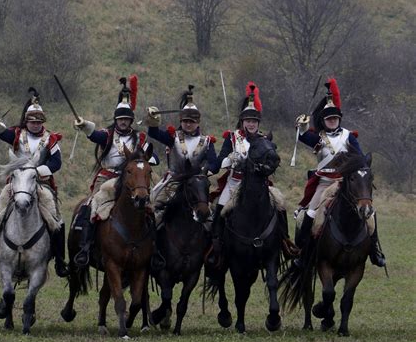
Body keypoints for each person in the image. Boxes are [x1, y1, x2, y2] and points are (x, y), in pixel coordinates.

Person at [0, 88, 69, 277]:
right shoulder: (17, 134)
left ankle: (60, 261)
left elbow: (56, 163)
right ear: (27, 121)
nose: (36, 125)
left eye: (39, 122)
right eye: (32, 121)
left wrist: (35, 172)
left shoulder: (51, 139)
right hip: (16, 182)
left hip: (40, 183)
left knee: (57, 217)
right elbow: (2, 133)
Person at [294, 77, 385, 268]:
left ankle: (375, 251)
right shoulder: (318, 137)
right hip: (324, 182)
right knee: (310, 214)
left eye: (335, 118)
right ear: (324, 121)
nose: (332, 121)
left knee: (370, 214)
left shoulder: (348, 136)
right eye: (329, 119)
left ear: (339, 119)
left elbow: (359, 158)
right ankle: (303, 253)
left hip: (345, 182)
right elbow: (302, 136)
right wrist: (302, 125)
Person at [73, 75, 159, 267]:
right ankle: (86, 248)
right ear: (116, 119)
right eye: (120, 118)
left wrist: (146, 160)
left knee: (152, 212)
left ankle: (155, 253)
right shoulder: (108, 135)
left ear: (131, 120)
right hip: (107, 178)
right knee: (91, 206)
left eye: (126, 119)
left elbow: (154, 159)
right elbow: (94, 136)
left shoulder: (140, 138)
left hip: (134, 181)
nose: (123, 122)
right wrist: (85, 125)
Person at [208, 82, 294, 265]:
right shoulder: (231, 138)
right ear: (242, 122)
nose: (251, 124)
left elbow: (274, 162)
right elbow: (218, 162)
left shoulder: (264, 140)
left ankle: (284, 242)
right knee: (219, 210)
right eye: (248, 121)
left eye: (254, 121)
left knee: (280, 205)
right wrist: (230, 159)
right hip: (234, 184)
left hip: (260, 185)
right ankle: (216, 247)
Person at [145, 85, 218, 228]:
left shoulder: (207, 141)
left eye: (192, 122)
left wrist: (205, 173)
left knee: (210, 217)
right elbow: (154, 134)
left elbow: (214, 163)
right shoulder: (173, 137)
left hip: (197, 183)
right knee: (156, 208)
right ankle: (153, 240)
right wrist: (153, 122)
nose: (188, 124)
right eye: (185, 121)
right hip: (174, 180)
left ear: (198, 123)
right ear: (181, 121)